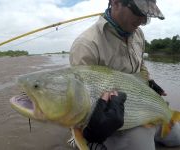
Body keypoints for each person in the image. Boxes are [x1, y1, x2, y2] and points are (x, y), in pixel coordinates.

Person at [69, 0, 180, 149]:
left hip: (142, 105)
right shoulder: (87, 44)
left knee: (176, 137)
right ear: (115, 3)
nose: (142, 20)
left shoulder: (138, 33)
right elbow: (78, 100)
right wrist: (91, 130)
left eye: (146, 14)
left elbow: (141, 65)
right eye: (138, 12)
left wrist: (150, 81)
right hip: (115, 121)